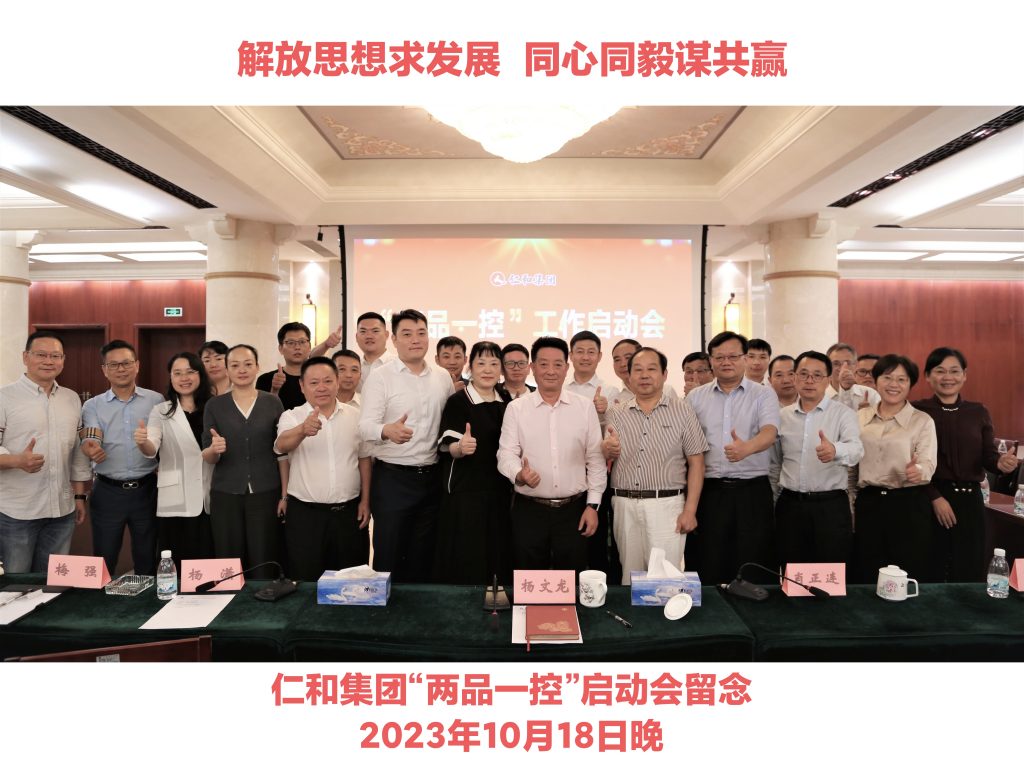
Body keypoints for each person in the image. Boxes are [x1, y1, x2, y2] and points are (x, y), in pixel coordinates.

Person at [358, 309, 454, 582]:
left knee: (425, 556)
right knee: (389, 554)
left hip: (432, 478)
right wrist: (386, 430)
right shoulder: (381, 377)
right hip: (393, 480)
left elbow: (448, 427)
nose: (416, 340)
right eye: (407, 334)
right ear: (394, 340)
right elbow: (364, 427)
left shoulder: (442, 377)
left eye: (421, 333)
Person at [497, 337, 605, 571]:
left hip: (574, 510)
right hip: (529, 509)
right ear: (532, 368)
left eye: (557, 364)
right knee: (530, 578)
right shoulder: (516, 409)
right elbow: (506, 454)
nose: (551, 371)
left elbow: (595, 460)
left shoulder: (584, 407)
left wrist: (593, 505)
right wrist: (519, 474)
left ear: (566, 368)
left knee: (572, 578)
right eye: (543, 364)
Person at [913, 347, 1021, 582]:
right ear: (928, 376)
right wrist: (934, 497)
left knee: (969, 566)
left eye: (954, 371)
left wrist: (1001, 463)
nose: (948, 377)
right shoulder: (917, 411)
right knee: (930, 566)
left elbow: (988, 457)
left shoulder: (978, 411)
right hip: (929, 497)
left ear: (964, 375)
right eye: (940, 371)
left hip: (970, 499)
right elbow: (910, 460)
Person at [603, 347, 708, 584]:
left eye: (651, 369)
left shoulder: (682, 410)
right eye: (638, 370)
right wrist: (606, 449)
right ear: (629, 376)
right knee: (630, 577)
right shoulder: (615, 413)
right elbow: (605, 454)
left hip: (667, 505)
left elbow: (697, 463)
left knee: (665, 579)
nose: (644, 375)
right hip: (624, 504)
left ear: (664, 374)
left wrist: (690, 511)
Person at [686, 332, 780, 585]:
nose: (726, 362)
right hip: (710, 491)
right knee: (709, 558)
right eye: (719, 357)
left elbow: (770, 432)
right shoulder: (695, 397)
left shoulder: (763, 394)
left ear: (744, 358)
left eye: (733, 356)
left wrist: (747, 448)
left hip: (752, 491)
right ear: (711, 361)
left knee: (753, 559)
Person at [0, 331, 91, 573]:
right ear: (25, 357)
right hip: (17, 512)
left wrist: (79, 496)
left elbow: (77, 454)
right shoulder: (4, 397)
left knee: (52, 582)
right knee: (15, 584)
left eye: (55, 356)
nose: (48, 361)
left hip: (61, 511)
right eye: (41, 354)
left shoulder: (71, 399)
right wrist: (17, 460)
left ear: (63, 360)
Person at [275, 356, 370, 580]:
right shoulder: (292, 416)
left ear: (337, 382)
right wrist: (302, 430)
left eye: (328, 381)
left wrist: (366, 500)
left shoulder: (356, 416)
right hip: (305, 514)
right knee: (305, 577)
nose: (321, 388)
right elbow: (281, 445)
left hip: (348, 513)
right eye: (314, 382)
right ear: (302, 386)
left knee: (350, 579)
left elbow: (364, 458)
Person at [770, 351, 863, 566]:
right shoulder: (782, 417)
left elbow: (856, 450)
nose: (810, 380)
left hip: (830, 506)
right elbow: (775, 463)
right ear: (795, 378)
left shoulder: (843, 413)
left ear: (828, 380)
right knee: (792, 570)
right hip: (790, 505)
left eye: (817, 375)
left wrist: (835, 450)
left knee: (829, 571)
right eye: (804, 374)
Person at [80, 340, 164, 576]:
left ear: (137, 365)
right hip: (108, 492)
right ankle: (100, 600)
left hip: (147, 489)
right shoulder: (93, 406)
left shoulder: (156, 401)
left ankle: (146, 599)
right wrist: (91, 447)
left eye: (126, 363)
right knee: (104, 559)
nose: (121, 369)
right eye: (114, 365)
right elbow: (91, 435)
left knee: (147, 557)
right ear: (104, 370)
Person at [202, 344, 287, 579]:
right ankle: (230, 600)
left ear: (257, 367)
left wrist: (284, 495)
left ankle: (263, 598)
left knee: (264, 555)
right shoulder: (215, 405)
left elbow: (281, 451)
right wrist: (214, 449)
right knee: (228, 559)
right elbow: (207, 455)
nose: (242, 370)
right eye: (235, 365)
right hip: (226, 493)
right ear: (227, 369)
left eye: (248, 364)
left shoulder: (272, 402)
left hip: (265, 491)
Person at [854, 354, 937, 583]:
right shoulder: (859, 417)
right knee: (866, 570)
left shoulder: (922, 421)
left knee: (908, 570)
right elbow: (851, 466)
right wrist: (850, 504)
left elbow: (928, 463)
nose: (894, 384)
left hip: (908, 503)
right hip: (868, 502)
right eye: (887, 377)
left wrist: (918, 470)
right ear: (876, 381)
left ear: (910, 384)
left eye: (902, 379)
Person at [434, 341, 513, 584]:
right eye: (481, 363)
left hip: (500, 491)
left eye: (494, 364)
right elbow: (446, 445)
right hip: (466, 492)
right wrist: (460, 447)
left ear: (501, 369)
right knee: (468, 556)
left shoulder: (506, 399)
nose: (488, 369)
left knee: (497, 553)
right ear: (470, 367)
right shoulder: (459, 401)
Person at [133, 352, 214, 568]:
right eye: (177, 373)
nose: (184, 378)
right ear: (170, 378)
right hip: (176, 496)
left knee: (206, 559)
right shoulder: (161, 410)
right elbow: (151, 447)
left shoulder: (214, 406)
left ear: (200, 375)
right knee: (175, 559)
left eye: (190, 372)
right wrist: (142, 442)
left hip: (209, 493)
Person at [255, 322, 314, 410]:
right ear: (280, 348)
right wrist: (274, 390)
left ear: (309, 347)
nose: (297, 347)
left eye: (302, 342)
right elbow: (262, 414)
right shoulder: (265, 380)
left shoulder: (320, 379)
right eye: (290, 343)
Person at [567, 330, 619, 416]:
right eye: (580, 352)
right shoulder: (560, 388)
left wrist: (606, 410)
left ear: (599, 356)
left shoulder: (610, 391)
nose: (585, 357)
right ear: (571, 356)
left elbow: (615, 422)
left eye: (591, 352)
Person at [611, 338, 677, 404]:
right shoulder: (615, 399)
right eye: (617, 360)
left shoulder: (667, 391)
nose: (622, 364)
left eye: (628, 357)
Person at [826, 343, 880, 411]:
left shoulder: (870, 394)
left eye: (848, 363)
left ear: (856, 365)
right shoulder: (819, 396)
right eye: (836, 364)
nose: (842, 368)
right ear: (827, 366)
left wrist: (868, 414)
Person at [354, 311, 393, 391]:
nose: (369, 336)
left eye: (375, 331)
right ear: (357, 337)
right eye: (363, 331)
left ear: (386, 335)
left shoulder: (399, 364)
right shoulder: (354, 368)